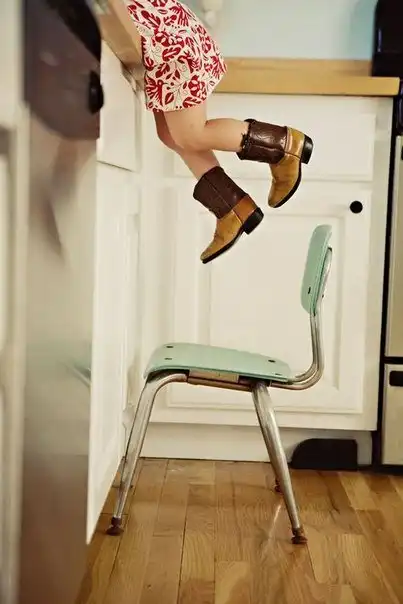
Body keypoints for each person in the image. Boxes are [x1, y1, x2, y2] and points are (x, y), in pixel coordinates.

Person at [127, 0, 313, 264]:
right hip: (166, 40)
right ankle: (232, 207)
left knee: (191, 134)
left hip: (170, 41)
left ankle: (284, 146)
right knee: (170, 134)